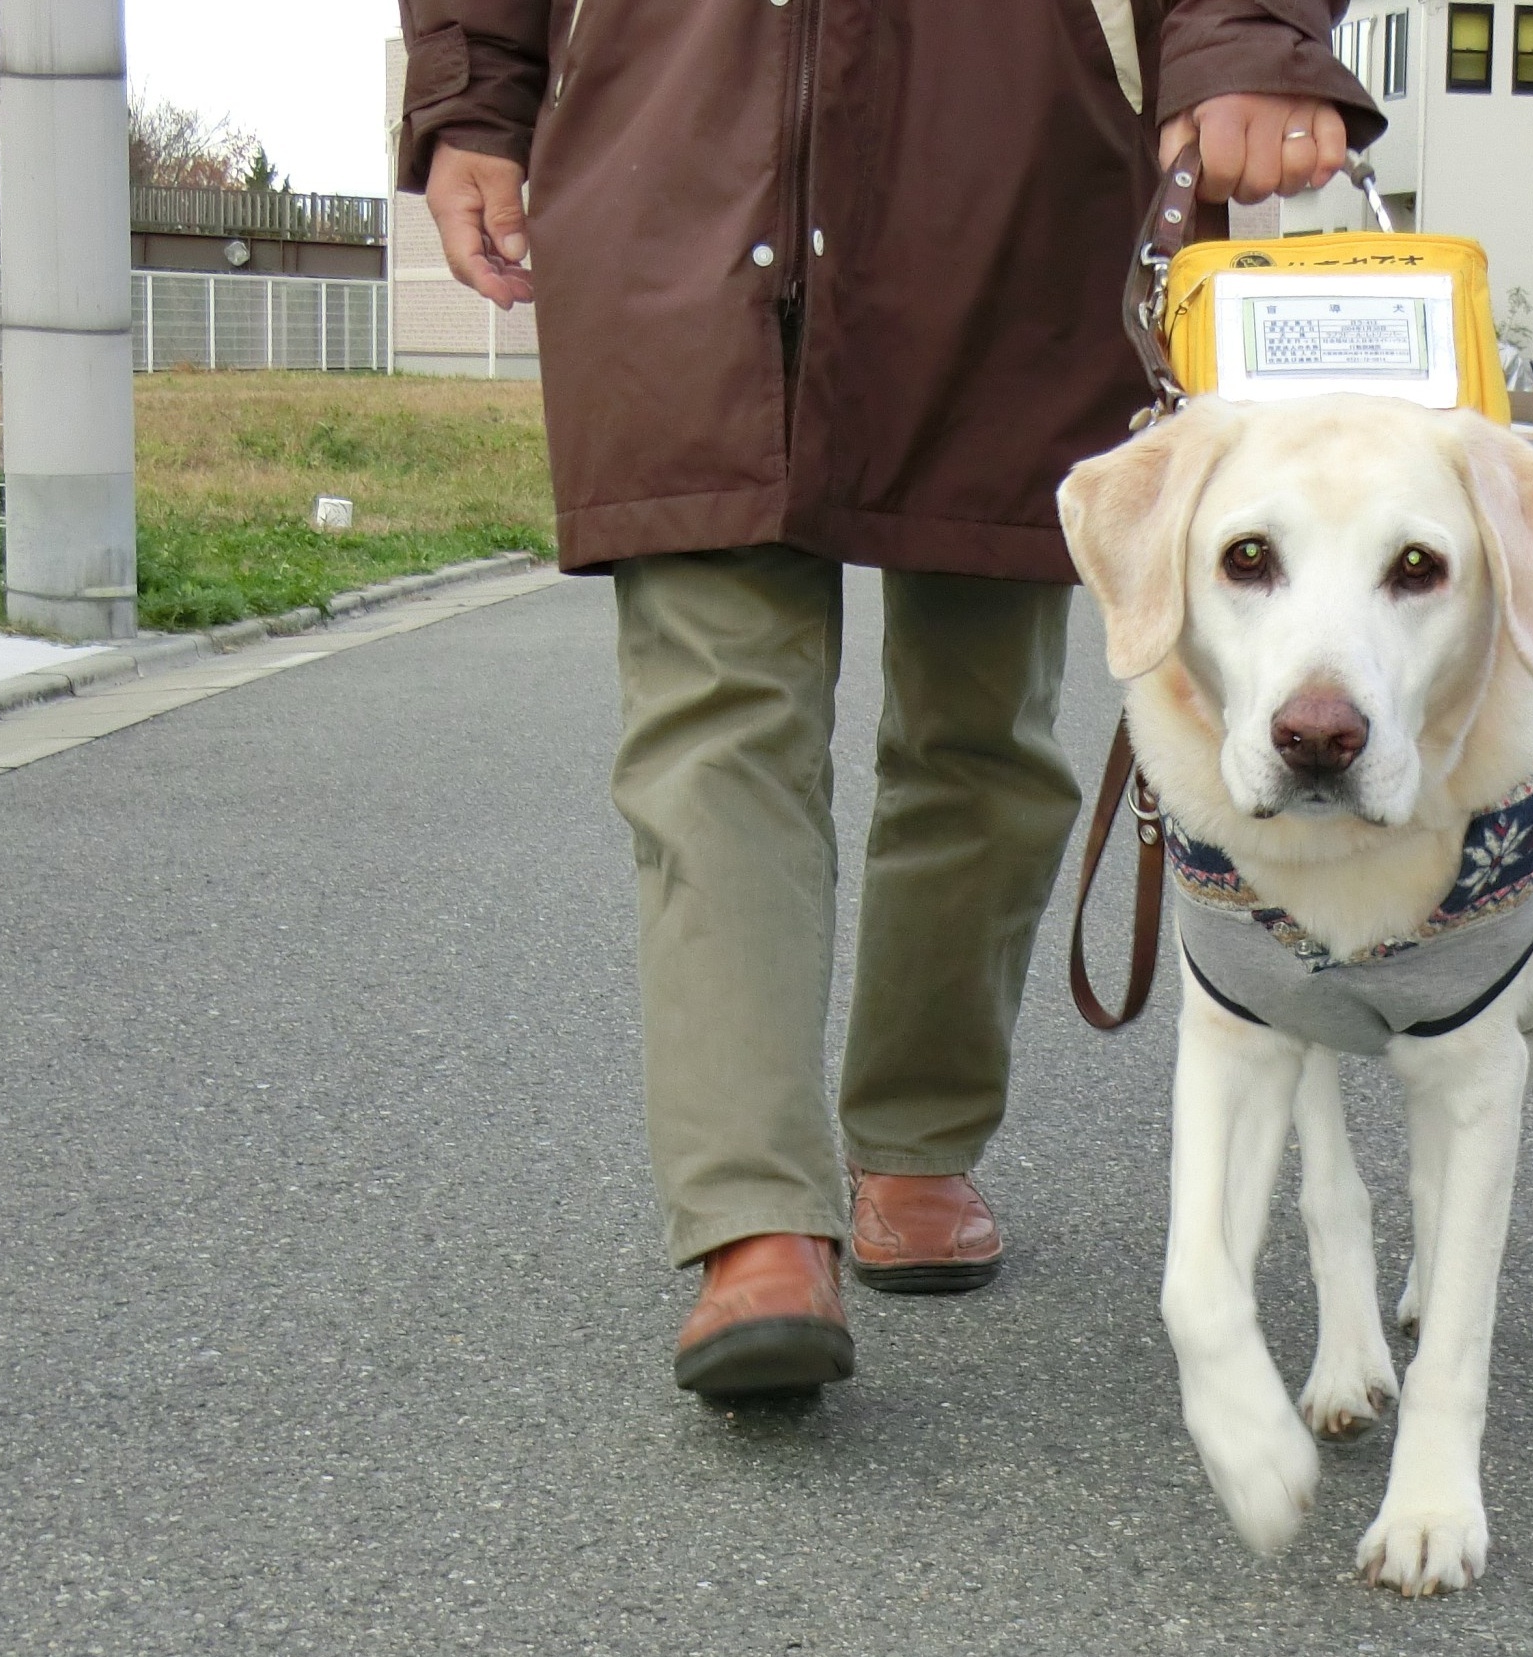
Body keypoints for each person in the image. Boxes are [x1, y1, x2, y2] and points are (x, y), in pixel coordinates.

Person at [396, 1, 1380, 1398]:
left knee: (980, 725)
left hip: (1004, 158)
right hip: (676, 135)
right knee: (710, 715)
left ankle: (915, 1140)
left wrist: (1240, 34)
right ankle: (756, 1222)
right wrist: (471, 101)